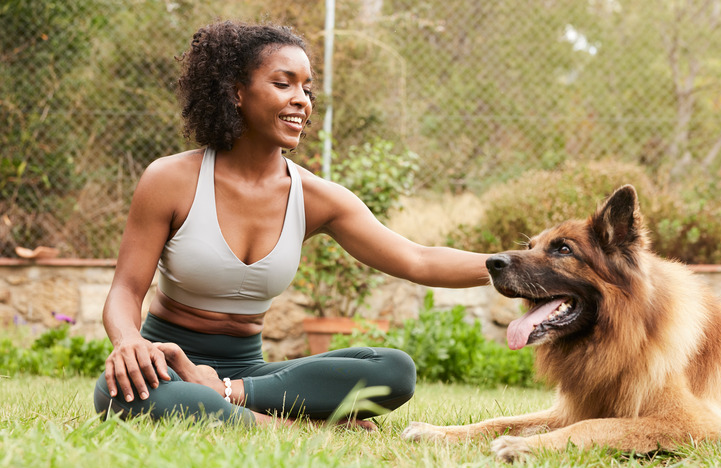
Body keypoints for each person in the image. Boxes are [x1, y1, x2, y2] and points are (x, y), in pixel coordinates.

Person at [93, 20, 491, 429]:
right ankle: (296, 425)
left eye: (307, 88)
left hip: (252, 379)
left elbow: (418, 260)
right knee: (118, 393)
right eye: (284, 84)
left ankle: (232, 404)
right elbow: (125, 289)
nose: (302, 100)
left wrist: (522, 270)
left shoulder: (316, 197)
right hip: (170, 365)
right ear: (237, 92)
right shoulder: (170, 179)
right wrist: (130, 342)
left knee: (393, 370)